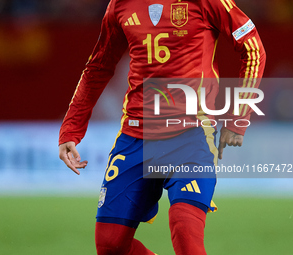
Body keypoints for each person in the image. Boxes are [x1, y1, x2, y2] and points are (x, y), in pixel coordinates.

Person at [58, 0, 266, 254]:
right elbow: (98, 66)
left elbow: (253, 49)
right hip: (135, 137)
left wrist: (238, 118)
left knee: (185, 233)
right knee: (110, 245)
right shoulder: (119, 5)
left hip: (191, 135)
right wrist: (71, 129)